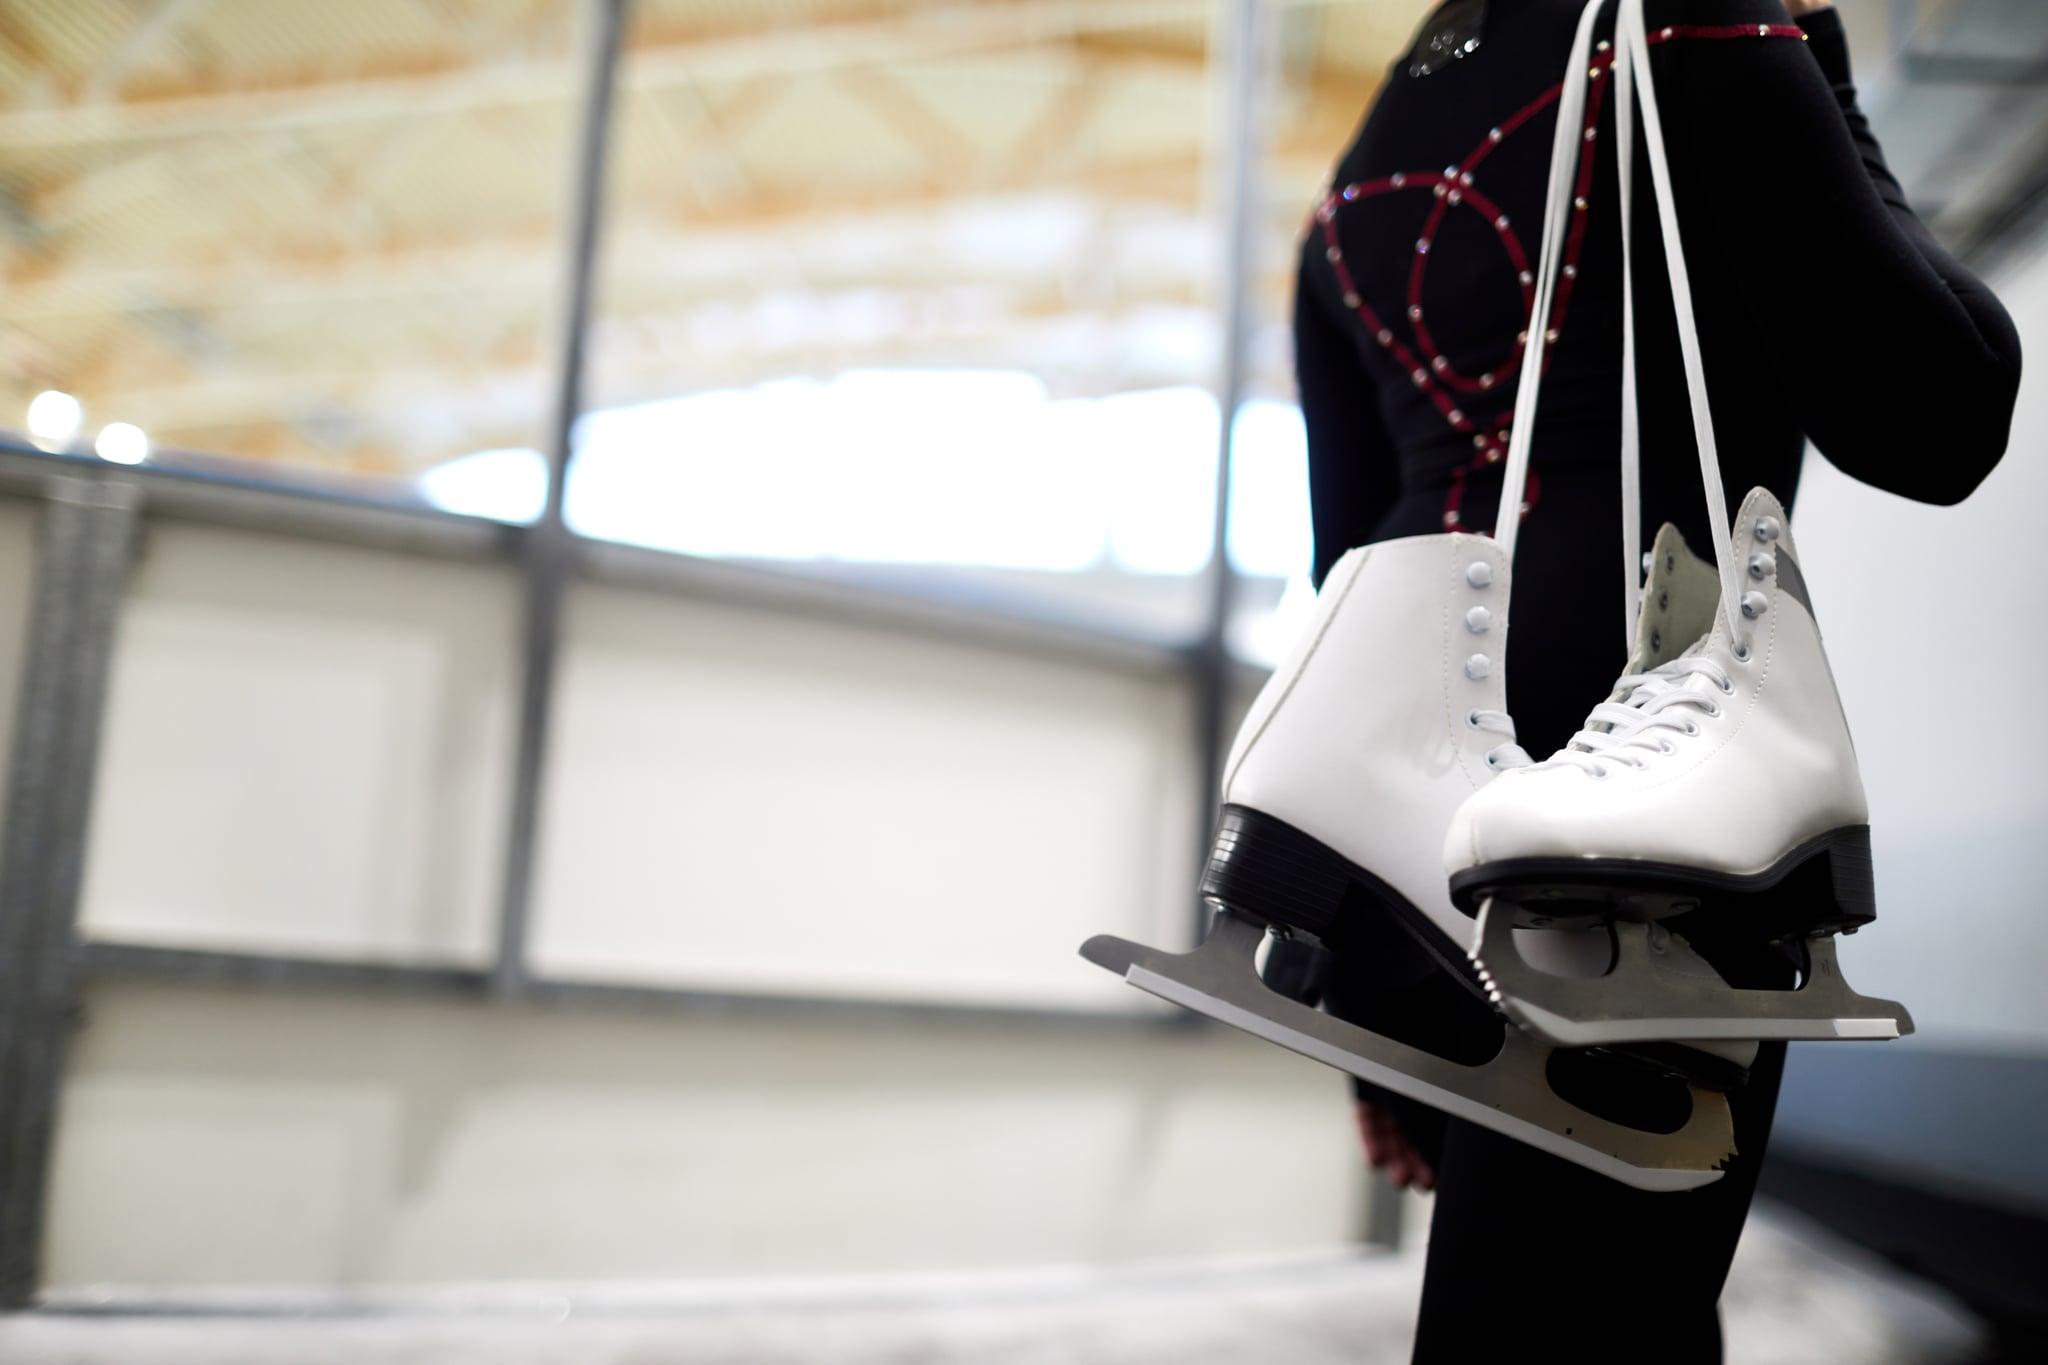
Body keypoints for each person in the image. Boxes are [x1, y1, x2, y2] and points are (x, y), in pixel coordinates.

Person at [1291, 0, 2021, 1358]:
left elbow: (1348, 577)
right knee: (1602, 1325)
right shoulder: (1703, 30)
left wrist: (1363, 993)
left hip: (1406, 810)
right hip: (1641, 797)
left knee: (1522, 1319)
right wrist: (1822, 75)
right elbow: (1938, 406)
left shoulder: (1368, 156)